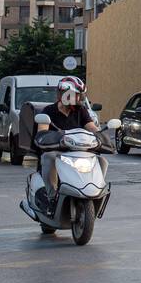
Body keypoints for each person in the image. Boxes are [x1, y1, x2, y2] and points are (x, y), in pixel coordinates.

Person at [34, 76, 101, 211]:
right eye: (75, 95)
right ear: (63, 94)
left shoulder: (80, 110)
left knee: (102, 160)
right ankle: (51, 197)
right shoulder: (48, 111)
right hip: (58, 152)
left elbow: (91, 127)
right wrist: (47, 135)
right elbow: (42, 131)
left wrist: (100, 134)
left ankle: (96, 191)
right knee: (49, 157)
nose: (78, 99)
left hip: (78, 152)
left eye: (79, 95)